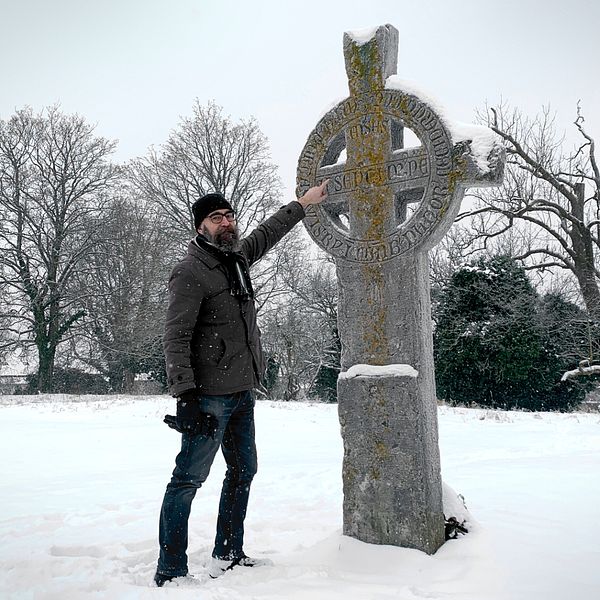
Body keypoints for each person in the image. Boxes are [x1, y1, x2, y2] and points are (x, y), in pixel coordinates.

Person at [154, 181, 329, 587]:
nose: (226, 222)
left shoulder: (236, 259)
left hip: (241, 393)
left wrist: (302, 204)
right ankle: (171, 569)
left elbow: (268, 232)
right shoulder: (190, 270)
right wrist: (185, 396)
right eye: (216, 218)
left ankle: (228, 552)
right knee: (187, 480)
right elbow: (175, 336)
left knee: (243, 470)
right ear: (200, 227)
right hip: (209, 398)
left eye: (229, 215)